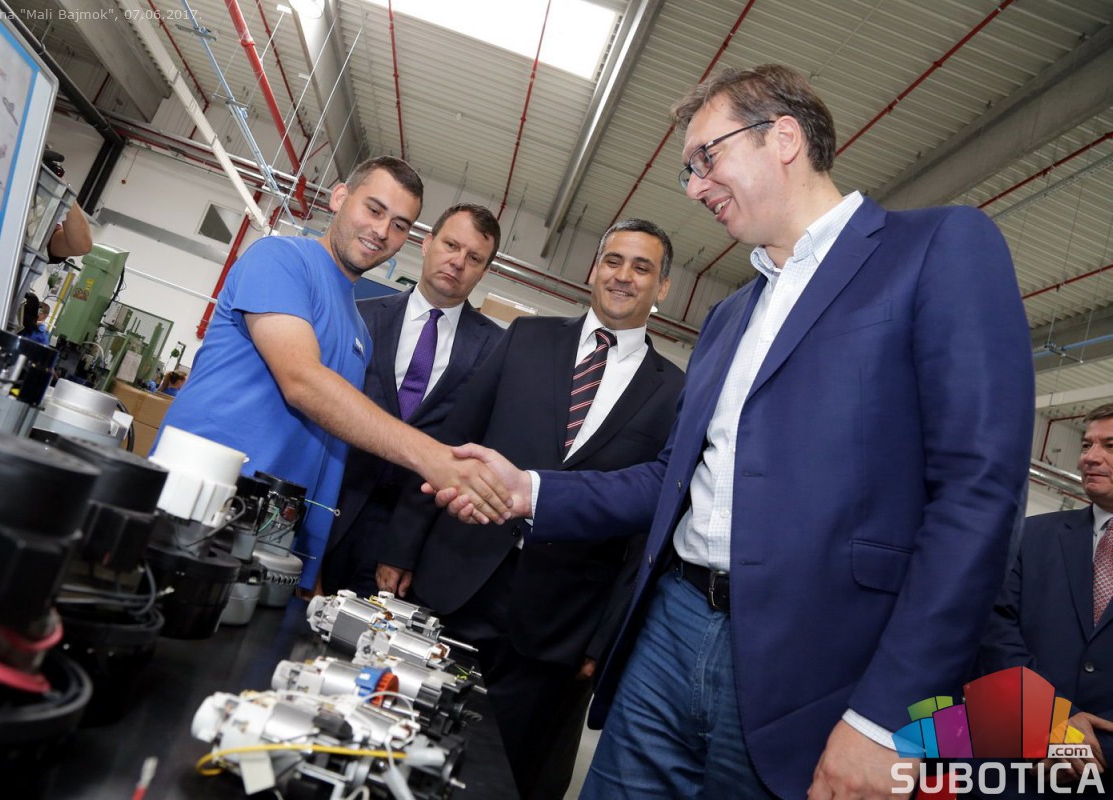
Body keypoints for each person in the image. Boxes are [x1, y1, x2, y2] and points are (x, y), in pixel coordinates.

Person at [433, 64, 1035, 799]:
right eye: (689, 170)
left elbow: (977, 493)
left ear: (783, 138)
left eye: (705, 158)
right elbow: (673, 480)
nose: (694, 187)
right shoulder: (727, 318)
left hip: (816, 667)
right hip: (671, 627)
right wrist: (531, 490)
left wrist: (888, 720)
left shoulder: (936, 247)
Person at [395, 219, 684, 799]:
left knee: (498, 772)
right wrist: (401, 546)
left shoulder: (675, 392)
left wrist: (604, 639)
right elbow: (453, 441)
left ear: (663, 288)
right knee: (405, 735)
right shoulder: (527, 338)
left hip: (558, 622)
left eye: (642, 267)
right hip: (460, 575)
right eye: (613, 261)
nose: (623, 276)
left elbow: (649, 528)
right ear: (593, 268)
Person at [158, 156, 511, 594]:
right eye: (374, 209)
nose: (382, 231)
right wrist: (432, 458)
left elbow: (333, 447)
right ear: (340, 197)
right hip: (200, 499)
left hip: (271, 530)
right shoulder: (280, 259)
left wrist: (311, 560)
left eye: (399, 225)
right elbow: (302, 381)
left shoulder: (357, 328)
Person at [318, 203, 505, 597]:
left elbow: (474, 452)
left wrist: (404, 548)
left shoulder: (498, 350)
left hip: (405, 543)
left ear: (484, 271)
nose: (458, 262)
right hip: (330, 508)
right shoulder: (360, 317)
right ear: (427, 243)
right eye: (451, 245)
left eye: (474, 258)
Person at [980, 404, 1113, 789]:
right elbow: (995, 633)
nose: (1089, 457)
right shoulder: (1030, 535)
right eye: (1086, 444)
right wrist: (1052, 719)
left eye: (1110, 445)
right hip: (1019, 763)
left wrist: (1099, 749)